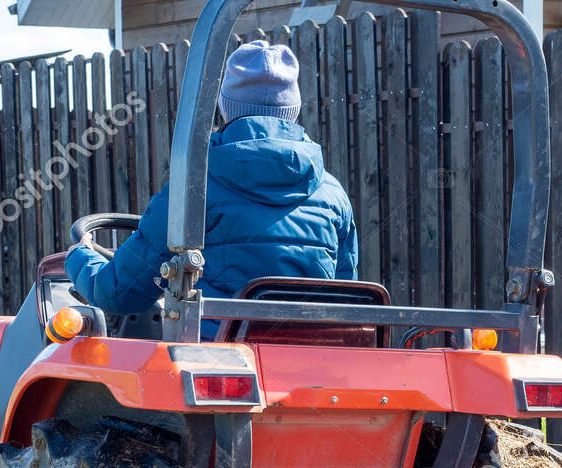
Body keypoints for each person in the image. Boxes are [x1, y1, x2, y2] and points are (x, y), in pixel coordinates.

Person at [65, 41, 358, 319]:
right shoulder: (333, 195)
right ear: (292, 110)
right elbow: (345, 295)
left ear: (226, 107)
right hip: (310, 358)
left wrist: (79, 257)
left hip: (218, 360)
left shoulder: (192, 191)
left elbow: (118, 293)